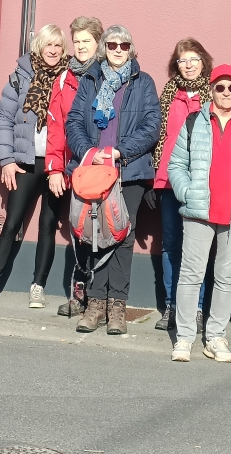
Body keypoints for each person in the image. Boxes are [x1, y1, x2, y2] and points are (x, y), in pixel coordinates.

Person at [65, 24, 161, 336]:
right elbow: (74, 121)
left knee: (122, 235)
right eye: (112, 45)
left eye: (124, 45)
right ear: (104, 48)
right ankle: (95, 304)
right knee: (96, 233)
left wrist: (119, 152)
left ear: (131, 49)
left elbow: (152, 126)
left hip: (128, 171)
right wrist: (89, 152)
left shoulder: (143, 82)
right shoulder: (91, 79)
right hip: (94, 170)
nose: (118, 50)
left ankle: (117, 304)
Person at [166, 64, 231, 363]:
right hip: (199, 212)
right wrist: (187, 193)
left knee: (227, 278)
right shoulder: (194, 121)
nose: (226, 92)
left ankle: (216, 337)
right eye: (220, 87)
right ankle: (184, 337)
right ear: (212, 90)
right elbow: (175, 164)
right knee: (190, 275)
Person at [0, 24, 68, 310]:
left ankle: (38, 286)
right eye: (48, 44)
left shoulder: (69, 78)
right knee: (12, 223)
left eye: (58, 46)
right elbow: (4, 119)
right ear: (39, 46)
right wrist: (7, 160)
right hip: (25, 162)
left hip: (56, 165)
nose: (53, 51)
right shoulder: (20, 77)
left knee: (48, 224)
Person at [152, 37, 213, 331]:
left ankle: (197, 307)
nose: (188, 65)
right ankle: (171, 305)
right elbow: (159, 138)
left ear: (203, 62)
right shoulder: (168, 94)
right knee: (171, 243)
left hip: (201, 182)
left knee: (196, 246)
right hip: (168, 181)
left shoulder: (213, 95)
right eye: (182, 60)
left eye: (193, 59)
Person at [47, 16, 104, 317]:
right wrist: (55, 168)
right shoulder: (64, 78)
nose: (81, 46)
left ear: (98, 43)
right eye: (77, 41)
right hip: (75, 169)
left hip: (103, 167)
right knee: (80, 232)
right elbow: (56, 127)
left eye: (87, 41)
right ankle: (79, 292)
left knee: (103, 231)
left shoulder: (107, 75)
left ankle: (100, 296)